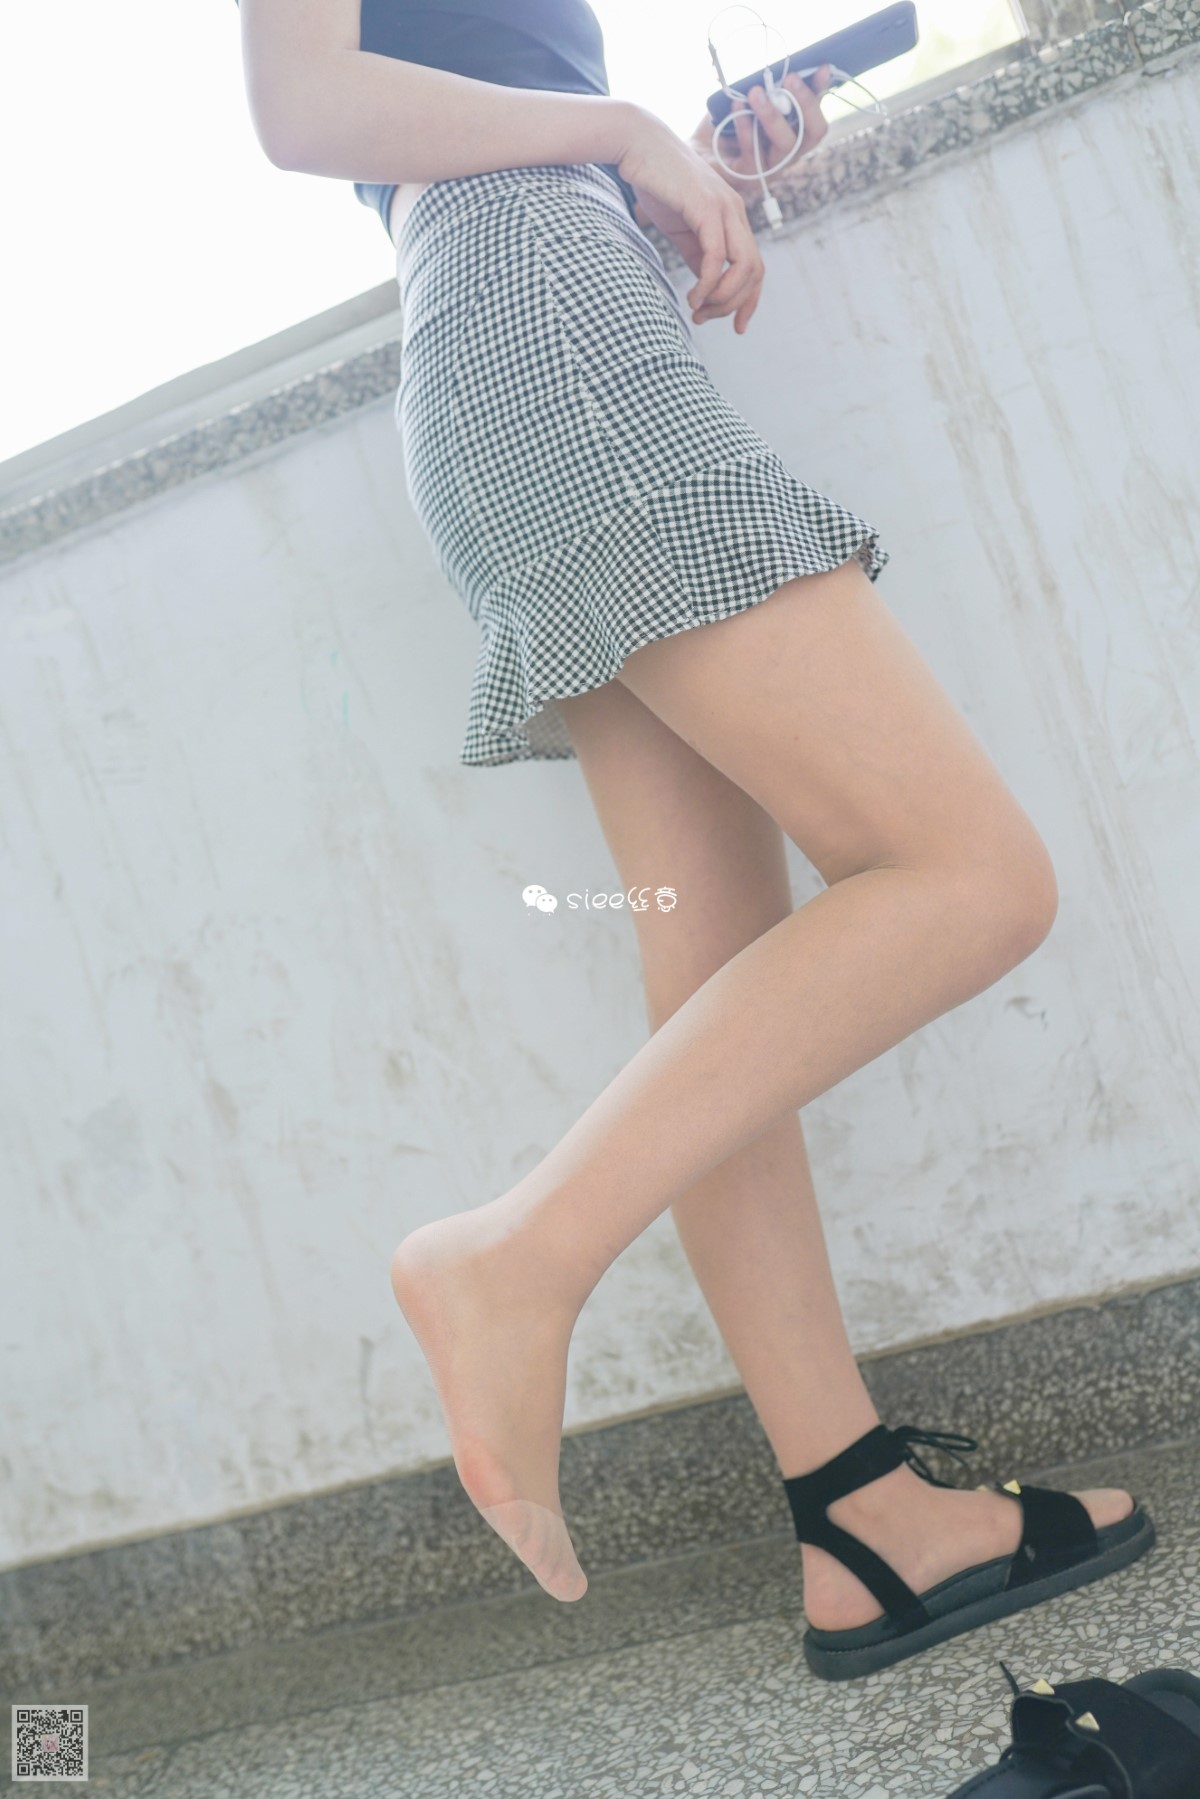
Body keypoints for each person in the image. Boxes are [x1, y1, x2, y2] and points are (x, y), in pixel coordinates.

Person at [238, 0, 1153, 1678]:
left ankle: (860, 1521)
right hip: (540, 313)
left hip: (533, 324)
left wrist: (682, 167)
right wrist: (622, 134)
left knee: (721, 981)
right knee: (972, 877)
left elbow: (468, 94)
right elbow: (304, 105)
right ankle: (515, 1257)